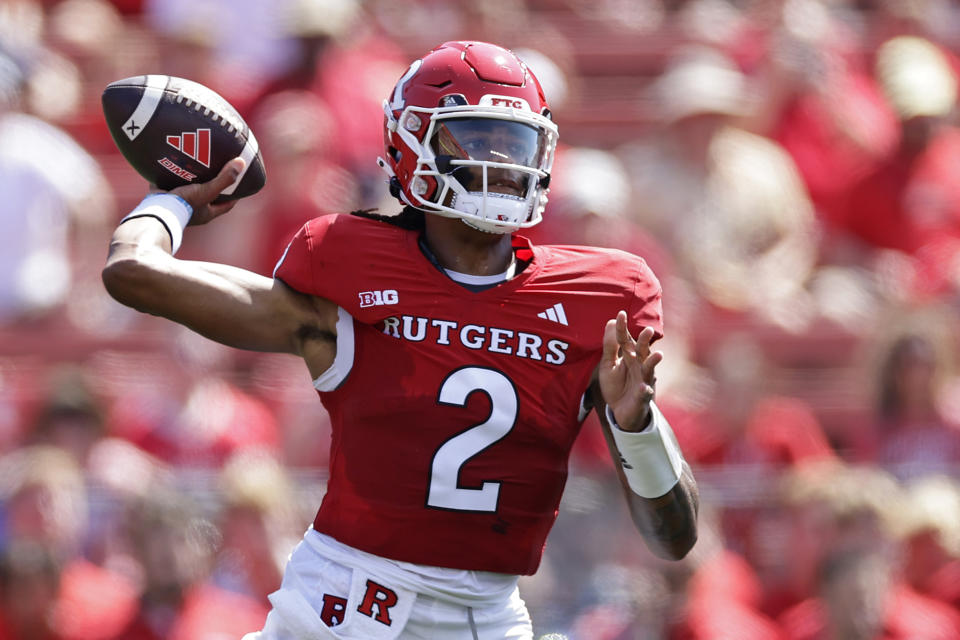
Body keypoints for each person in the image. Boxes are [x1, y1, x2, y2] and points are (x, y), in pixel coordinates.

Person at [101, 40, 699, 639]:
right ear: (412, 144)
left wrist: (635, 424)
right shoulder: (352, 266)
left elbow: (675, 537)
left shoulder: (596, 298)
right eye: (477, 140)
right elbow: (133, 273)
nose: (502, 163)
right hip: (341, 609)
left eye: (514, 143)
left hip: (487, 618)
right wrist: (173, 200)